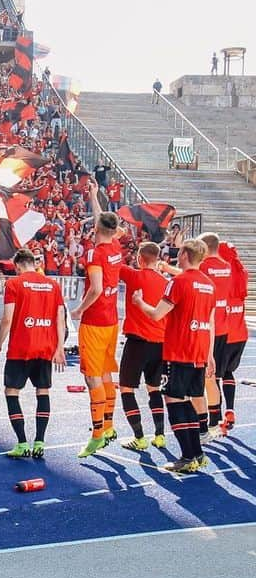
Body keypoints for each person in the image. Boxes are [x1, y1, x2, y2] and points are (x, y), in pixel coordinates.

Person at [130, 239, 216, 473]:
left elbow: (157, 314)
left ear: (186, 255)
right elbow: (210, 321)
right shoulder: (209, 284)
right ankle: (197, 454)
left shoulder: (178, 282)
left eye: (180, 253)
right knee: (187, 400)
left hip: (179, 351)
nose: (177, 256)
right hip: (198, 350)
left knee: (174, 402)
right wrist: (210, 355)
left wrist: (139, 303)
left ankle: (188, 457)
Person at [0, 249, 66, 459]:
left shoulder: (14, 283)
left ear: (17, 266)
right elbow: (60, 317)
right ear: (34, 262)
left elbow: (7, 318)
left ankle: (22, 443)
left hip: (21, 347)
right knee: (43, 391)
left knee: (12, 391)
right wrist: (59, 347)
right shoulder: (53, 285)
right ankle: (40, 441)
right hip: (45, 347)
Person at [69, 186, 123, 458]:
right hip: (112, 320)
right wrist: (93, 196)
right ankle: (110, 426)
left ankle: (97, 434)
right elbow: (102, 217)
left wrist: (78, 310)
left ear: (97, 228)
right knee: (105, 375)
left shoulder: (94, 253)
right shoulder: (114, 245)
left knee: (92, 378)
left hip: (95, 321)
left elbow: (96, 288)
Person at [116, 241, 169, 451]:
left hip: (137, 342)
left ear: (139, 258)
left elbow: (113, 262)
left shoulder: (133, 276)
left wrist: (116, 237)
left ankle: (139, 437)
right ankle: (160, 435)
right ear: (159, 259)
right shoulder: (167, 282)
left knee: (126, 388)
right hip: (161, 343)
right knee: (154, 389)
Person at [195, 232, 232, 440]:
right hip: (223, 327)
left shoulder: (204, 267)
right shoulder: (226, 266)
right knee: (213, 377)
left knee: (205, 376)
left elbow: (189, 276)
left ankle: (206, 422)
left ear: (205, 247)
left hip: (207, 326)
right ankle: (215, 421)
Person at [218, 242, 249, 431]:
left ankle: (214, 419)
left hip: (225, 331)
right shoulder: (241, 272)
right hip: (240, 331)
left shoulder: (221, 273)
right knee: (228, 373)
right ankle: (229, 409)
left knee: (212, 377)